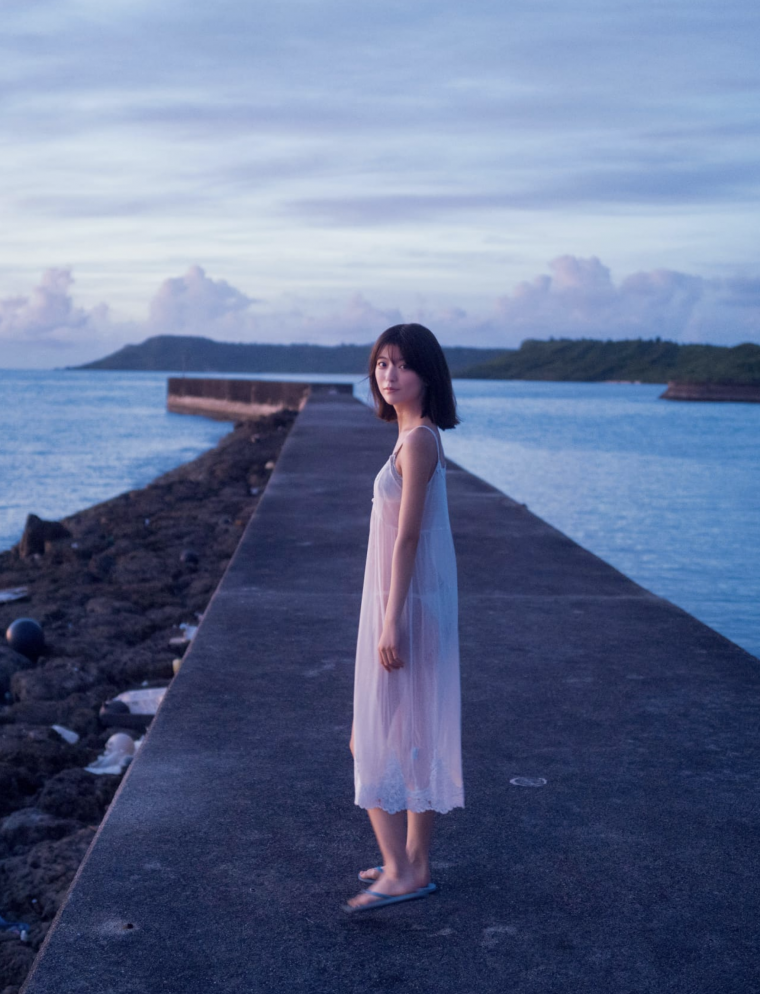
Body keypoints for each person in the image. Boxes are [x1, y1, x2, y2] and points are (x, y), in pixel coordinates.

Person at [343, 322, 464, 914]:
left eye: (401, 365)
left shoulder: (418, 441)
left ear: (427, 375)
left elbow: (409, 536)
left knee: (369, 738)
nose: (388, 375)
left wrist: (389, 622)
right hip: (408, 602)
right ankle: (414, 864)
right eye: (381, 364)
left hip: (407, 606)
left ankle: (400, 870)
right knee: (408, 734)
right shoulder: (411, 436)